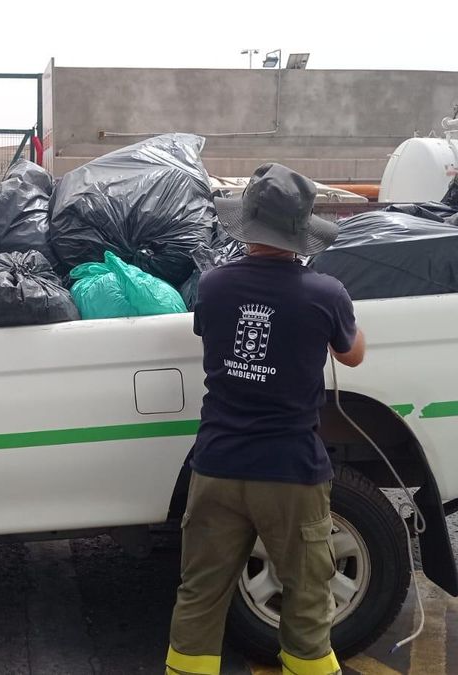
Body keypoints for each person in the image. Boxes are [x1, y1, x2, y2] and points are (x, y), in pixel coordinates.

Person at [166, 163, 366, 675]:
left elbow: (211, 332)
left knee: (200, 595)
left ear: (247, 226)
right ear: (301, 232)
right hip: (290, 473)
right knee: (306, 599)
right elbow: (352, 356)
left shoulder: (212, 287)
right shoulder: (326, 294)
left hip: (217, 465)